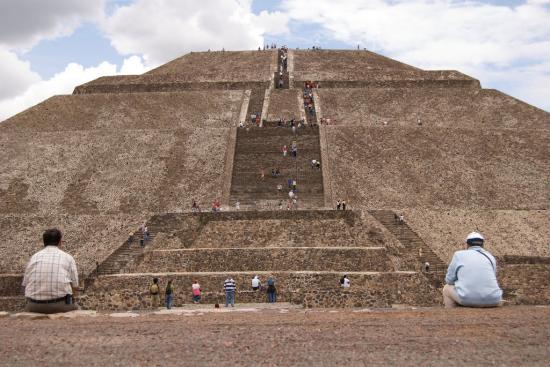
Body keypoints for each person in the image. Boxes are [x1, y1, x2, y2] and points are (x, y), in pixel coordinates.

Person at [22, 228, 79, 314]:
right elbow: (75, 285)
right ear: (60, 242)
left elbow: (25, 283)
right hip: (61, 304)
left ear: (44, 242)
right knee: (77, 306)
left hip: (33, 305)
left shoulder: (34, 257)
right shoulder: (68, 258)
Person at [443, 232, 503, 308]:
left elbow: (449, 280)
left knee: (446, 289)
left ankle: (451, 314)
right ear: (482, 244)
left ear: (467, 244)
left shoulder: (458, 255)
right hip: (494, 299)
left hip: (468, 299)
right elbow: (491, 276)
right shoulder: (490, 257)